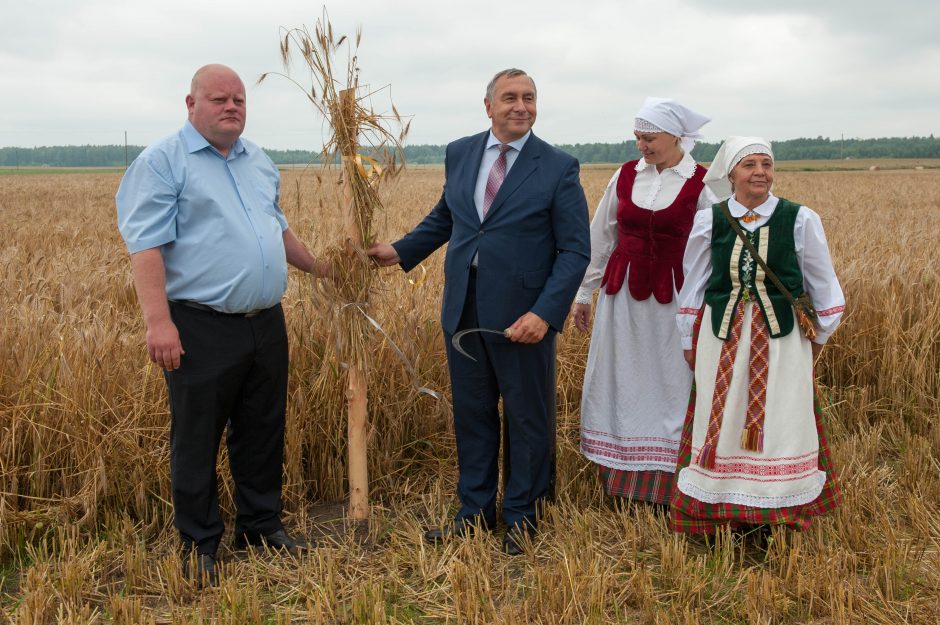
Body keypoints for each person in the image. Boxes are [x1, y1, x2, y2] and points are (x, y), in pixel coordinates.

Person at [115, 64, 331, 584]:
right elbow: (145, 245)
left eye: (238, 99)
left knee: (262, 428)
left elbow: (277, 229)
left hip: (265, 322)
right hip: (199, 325)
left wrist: (322, 268)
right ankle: (199, 542)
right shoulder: (163, 162)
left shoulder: (257, 161)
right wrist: (158, 323)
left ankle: (259, 525)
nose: (231, 107)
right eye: (218, 99)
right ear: (191, 105)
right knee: (197, 435)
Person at [368, 68, 590, 555]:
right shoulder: (461, 152)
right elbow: (449, 214)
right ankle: (473, 513)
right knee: (472, 415)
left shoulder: (558, 166)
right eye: (510, 98)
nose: (521, 106)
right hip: (463, 310)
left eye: (529, 98)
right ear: (487, 105)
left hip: (523, 318)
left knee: (528, 418)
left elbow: (575, 251)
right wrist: (401, 250)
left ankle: (522, 516)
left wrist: (545, 313)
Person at [670, 137, 845, 535]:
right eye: (750, 164)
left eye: (767, 164)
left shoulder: (799, 219)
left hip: (782, 342)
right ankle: (720, 512)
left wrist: (817, 339)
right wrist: (687, 339)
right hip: (722, 339)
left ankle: (776, 516)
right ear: (730, 174)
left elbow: (826, 290)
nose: (760, 172)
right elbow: (693, 288)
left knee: (780, 418)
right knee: (725, 418)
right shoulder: (709, 220)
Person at [573, 98, 716, 508]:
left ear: (676, 137)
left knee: (672, 382)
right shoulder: (624, 176)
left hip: (677, 301)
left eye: (649, 138)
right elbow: (601, 237)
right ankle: (623, 482)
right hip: (624, 301)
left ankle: (675, 482)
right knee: (624, 378)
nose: (642, 145)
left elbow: (716, 246)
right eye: (637, 137)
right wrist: (585, 292)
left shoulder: (703, 183)